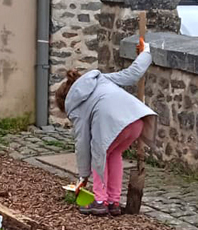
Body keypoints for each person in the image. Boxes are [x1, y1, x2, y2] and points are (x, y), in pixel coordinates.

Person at [54, 43, 156, 216]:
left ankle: (100, 201)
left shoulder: (75, 105)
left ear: (65, 101)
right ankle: (113, 202)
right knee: (114, 154)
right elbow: (132, 75)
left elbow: (82, 143)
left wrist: (83, 176)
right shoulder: (99, 79)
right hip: (136, 119)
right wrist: (146, 52)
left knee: (98, 154)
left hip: (114, 122)